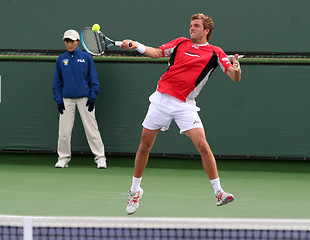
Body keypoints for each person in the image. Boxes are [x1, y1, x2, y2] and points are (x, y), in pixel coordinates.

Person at [120, 13, 241, 215]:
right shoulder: (180, 43)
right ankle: (135, 191)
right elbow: (157, 52)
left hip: (185, 105)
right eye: (191, 25)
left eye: (196, 26)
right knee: (144, 147)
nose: (191, 28)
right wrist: (137, 45)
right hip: (161, 99)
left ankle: (219, 192)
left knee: (203, 145)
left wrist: (237, 69)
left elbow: (233, 76)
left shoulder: (215, 52)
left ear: (206, 31)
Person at [52, 29, 107, 169]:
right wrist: (59, 100)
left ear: (77, 42)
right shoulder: (60, 60)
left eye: (72, 41)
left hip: (85, 99)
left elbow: (93, 79)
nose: (70, 44)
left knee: (92, 130)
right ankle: (63, 159)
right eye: (67, 41)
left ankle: (100, 159)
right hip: (66, 100)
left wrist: (92, 97)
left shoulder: (86, 57)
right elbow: (57, 83)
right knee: (64, 132)